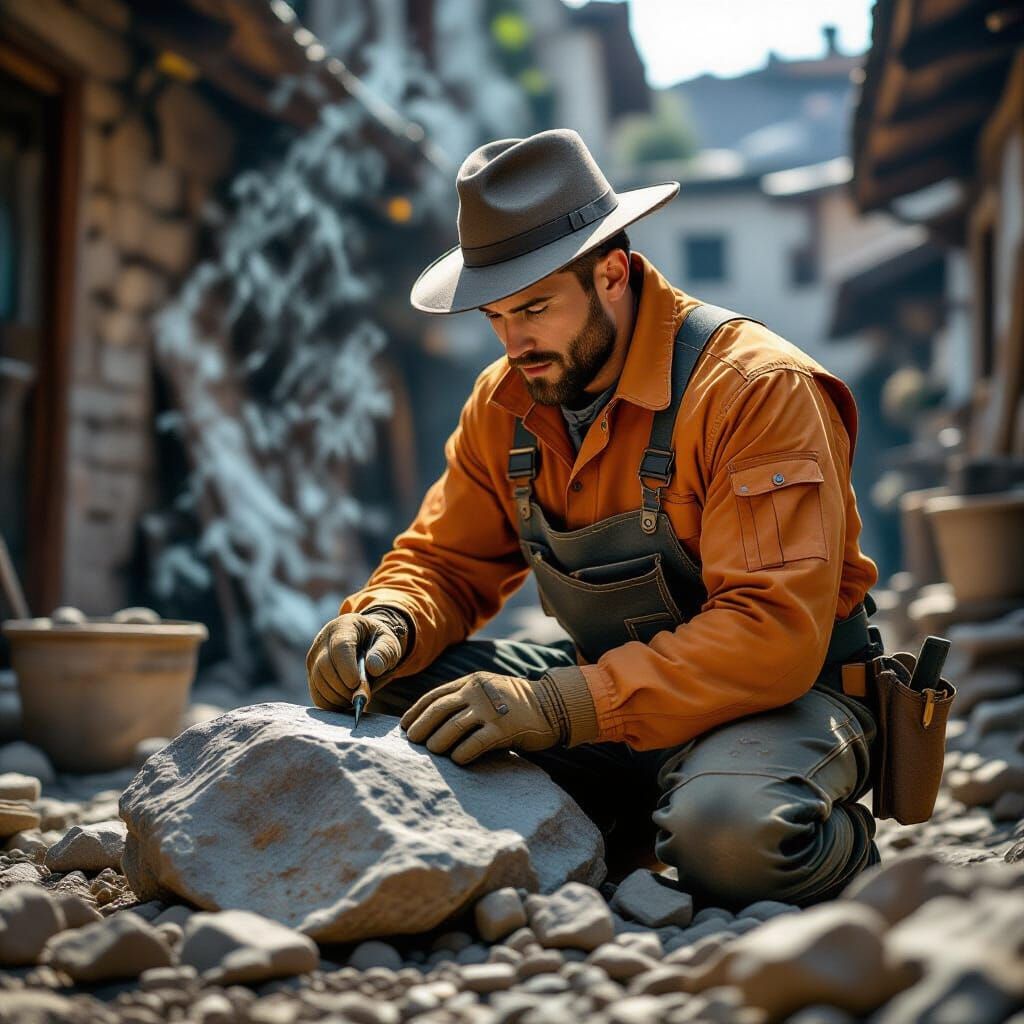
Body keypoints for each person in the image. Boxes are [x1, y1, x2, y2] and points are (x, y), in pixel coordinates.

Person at [306, 129, 884, 909]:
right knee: (382, 685)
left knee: (728, 838)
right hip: (609, 704)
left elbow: (772, 636)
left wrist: (556, 707)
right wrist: (387, 619)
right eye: (495, 315)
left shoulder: (754, 389)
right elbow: (444, 562)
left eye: (535, 308)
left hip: (778, 701)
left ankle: (824, 841)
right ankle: (628, 822)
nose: (514, 342)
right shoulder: (504, 402)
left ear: (611, 273)